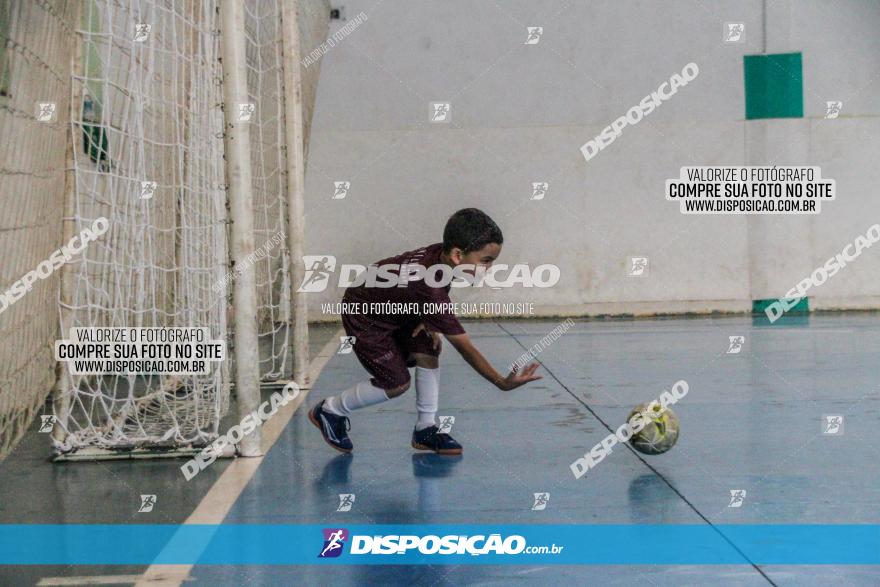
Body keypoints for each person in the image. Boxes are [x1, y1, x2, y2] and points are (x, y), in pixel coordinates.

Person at [309, 208, 542, 455]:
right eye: (485, 261)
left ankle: (425, 429)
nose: (490, 268)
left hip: (394, 305)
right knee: (397, 383)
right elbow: (465, 348)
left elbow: (419, 289)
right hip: (365, 313)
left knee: (428, 350)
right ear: (457, 254)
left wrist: (428, 321)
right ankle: (330, 410)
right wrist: (501, 383)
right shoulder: (430, 289)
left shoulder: (440, 256)